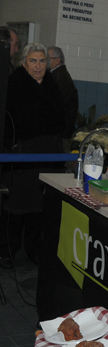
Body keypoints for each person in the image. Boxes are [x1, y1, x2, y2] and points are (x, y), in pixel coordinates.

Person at [1, 43, 65, 268]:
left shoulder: (52, 85)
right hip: (22, 154)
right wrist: (11, 143)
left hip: (47, 154)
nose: (38, 66)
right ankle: (8, 250)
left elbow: (62, 118)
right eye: (33, 61)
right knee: (15, 206)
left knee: (40, 205)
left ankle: (33, 249)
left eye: (42, 61)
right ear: (24, 62)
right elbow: (6, 119)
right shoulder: (14, 84)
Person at [47, 46, 79, 142]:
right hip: (61, 130)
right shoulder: (58, 75)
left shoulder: (59, 77)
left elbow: (55, 103)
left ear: (57, 60)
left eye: (47, 58)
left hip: (60, 132)